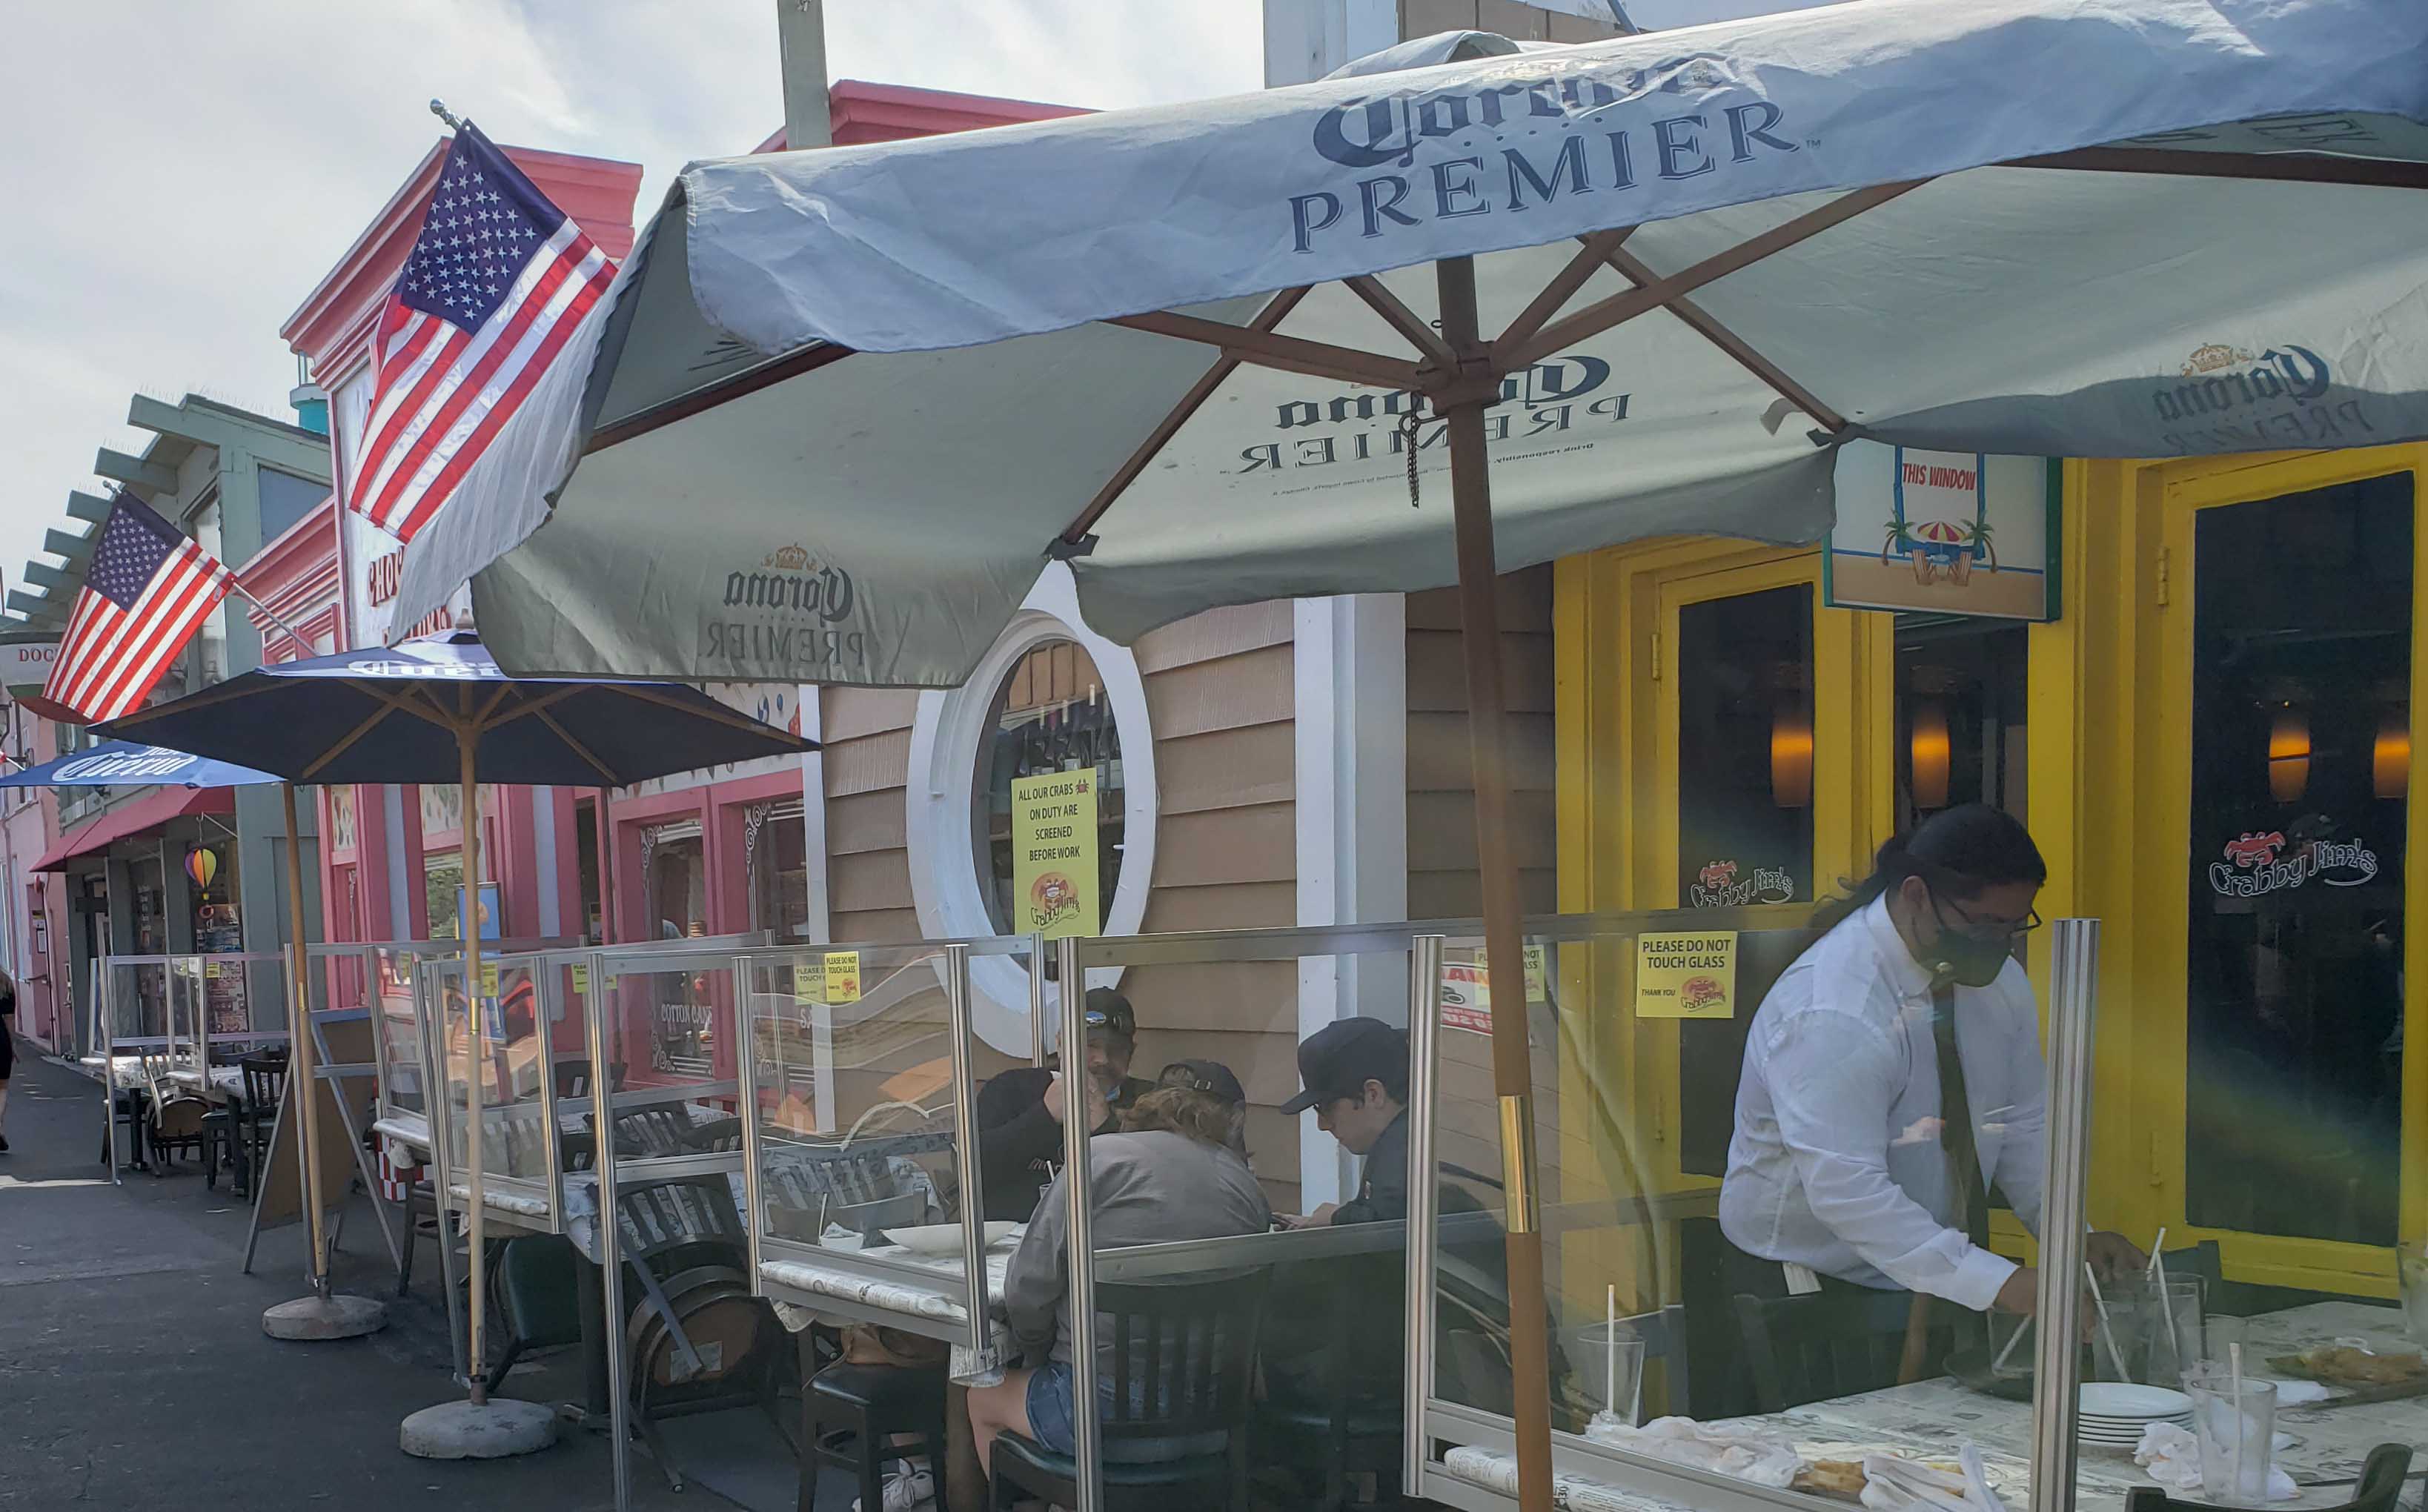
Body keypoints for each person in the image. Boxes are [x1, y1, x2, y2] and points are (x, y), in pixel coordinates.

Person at [1719, 804, 2143, 1330]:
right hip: (1811, 1289)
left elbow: (2021, 1123)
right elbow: (1847, 1191)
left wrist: (2069, 1234)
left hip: (1936, 1270)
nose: (2002, 942)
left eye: (2016, 925)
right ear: (1917, 895)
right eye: (1986, 924)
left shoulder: (1998, 984)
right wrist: (1999, 1283)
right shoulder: (1832, 1009)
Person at [966, 1071, 1270, 1474]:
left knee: (982, 1397)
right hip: (1213, 1417)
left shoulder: (1099, 1159)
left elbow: (1026, 1289)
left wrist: (1036, 1350)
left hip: (1098, 1420)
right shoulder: (1242, 1181)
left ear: (1136, 1120)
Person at [972, 987, 1153, 1222]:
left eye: (1118, 1050)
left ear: (1132, 1053)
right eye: (1091, 1046)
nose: (1104, 1060)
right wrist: (1044, 1117)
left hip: (1111, 1240)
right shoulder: (1011, 1088)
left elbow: (1155, 1184)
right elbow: (973, 1172)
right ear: (1061, 1044)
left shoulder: (1150, 1101)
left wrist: (1106, 1128)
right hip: (1015, 1242)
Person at [1277, 1016, 1407, 1227]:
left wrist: (1335, 1218)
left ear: (1373, 1095)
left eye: (1327, 1108)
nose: (1322, 1125)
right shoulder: (1399, 1137)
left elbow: (1388, 1225)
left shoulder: (1409, 1150)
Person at [0, 971, 15, 1154]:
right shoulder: (5, 982)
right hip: (0, 1039)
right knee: (2, 1087)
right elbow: (9, 1018)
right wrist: (12, 1045)